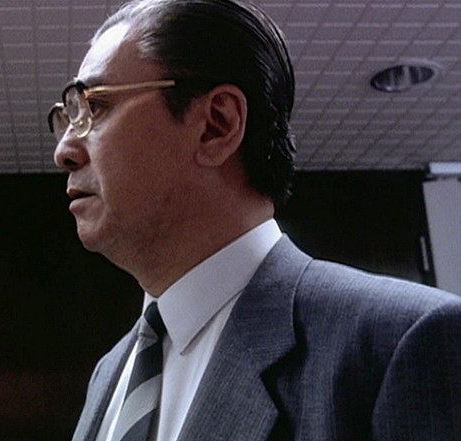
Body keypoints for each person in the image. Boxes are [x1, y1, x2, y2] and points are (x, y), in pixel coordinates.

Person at [48, 0, 461, 440]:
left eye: (95, 107)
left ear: (217, 125)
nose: (63, 152)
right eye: (66, 118)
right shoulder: (110, 372)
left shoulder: (401, 345)